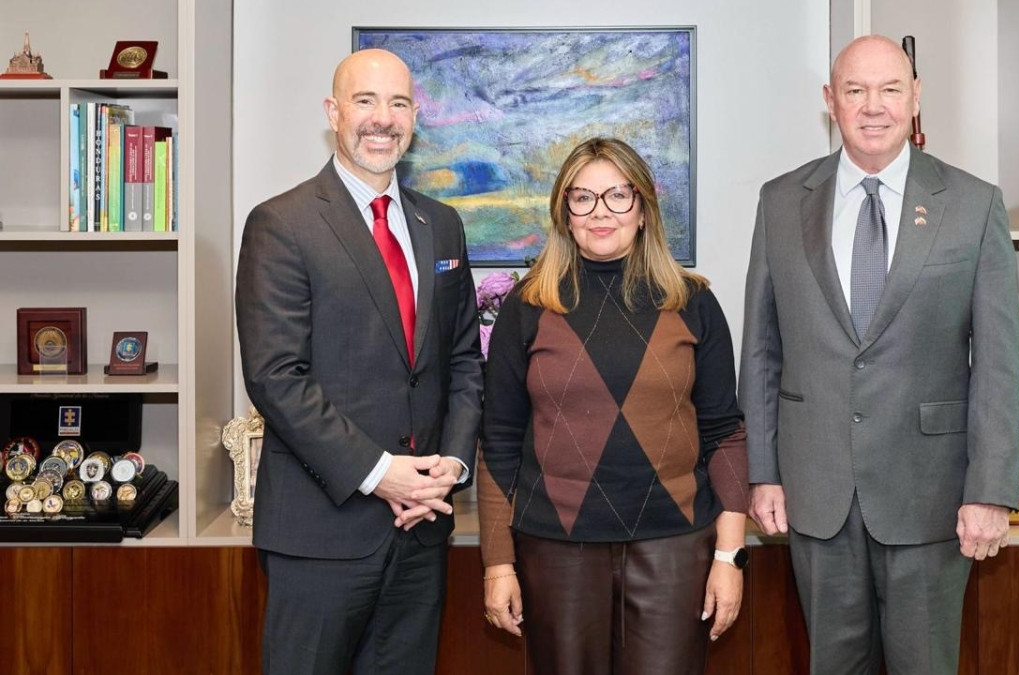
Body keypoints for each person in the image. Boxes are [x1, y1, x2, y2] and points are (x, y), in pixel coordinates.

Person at [739, 35, 1019, 674]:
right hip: (816, 491)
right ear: (830, 102)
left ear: (915, 97)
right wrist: (763, 471)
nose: (874, 106)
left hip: (933, 496)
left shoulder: (975, 205)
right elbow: (761, 348)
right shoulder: (781, 201)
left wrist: (991, 490)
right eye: (855, 90)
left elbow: (1001, 361)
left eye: (891, 89)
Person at [235, 48, 483, 675]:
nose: (383, 118)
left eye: (398, 103)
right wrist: (381, 473)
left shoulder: (442, 225)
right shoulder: (281, 223)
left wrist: (447, 468)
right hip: (322, 532)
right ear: (333, 112)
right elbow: (275, 376)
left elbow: (461, 361)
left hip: (423, 529)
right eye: (365, 100)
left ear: (415, 117)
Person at [477, 137, 749, 675]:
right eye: (582, 198)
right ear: (564, 214)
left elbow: (724, 433)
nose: (601, 212)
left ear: (643, 209)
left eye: (618, 196)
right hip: (556, 549)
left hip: (674, 547)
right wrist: (497, 561)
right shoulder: (527, 305)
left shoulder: (693, 303)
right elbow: (499, 438)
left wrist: (729, 556)